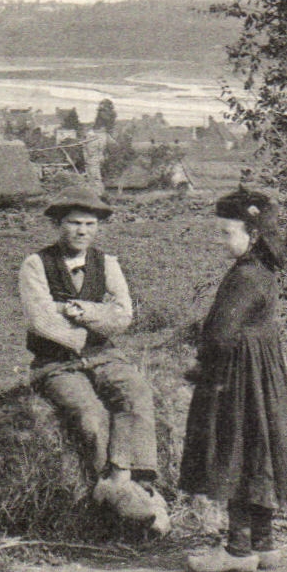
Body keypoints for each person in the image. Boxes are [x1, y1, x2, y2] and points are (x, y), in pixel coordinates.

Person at [179, 188, 287, 572]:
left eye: (226, 233)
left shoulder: (244, 276)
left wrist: (203, 365)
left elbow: (220, 333)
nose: (220, 240)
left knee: (234, 449)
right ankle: (263, 543)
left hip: (236, 374)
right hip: (262, 374)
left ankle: (238, 550)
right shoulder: (265, 271)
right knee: (258, 451)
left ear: (252, 235)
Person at [18, 186, 169, 532]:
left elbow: (124, 315)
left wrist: (83, 311)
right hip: (55, 362)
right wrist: (86, 328)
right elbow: (40, 320)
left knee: (136, 391)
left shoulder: (109, 264)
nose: (82, 231)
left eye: (89, 224)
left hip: (104, 355)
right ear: (58, 225)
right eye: (74, 223)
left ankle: (130, 481)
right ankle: (113, 488)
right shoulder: (35, 265)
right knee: (88, 414)